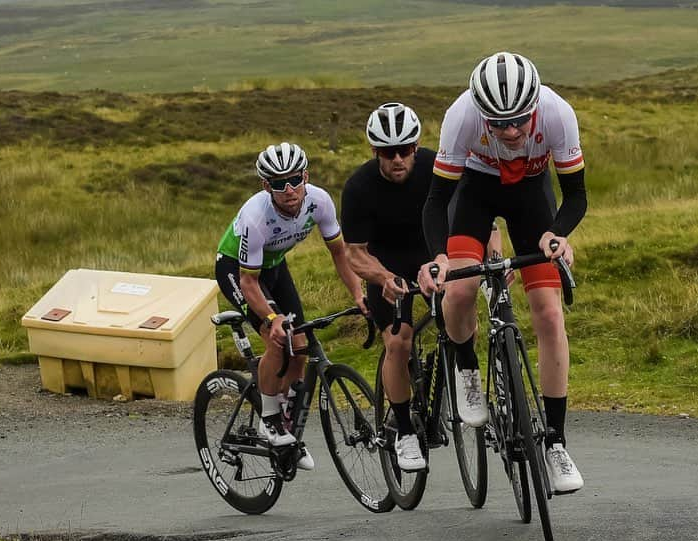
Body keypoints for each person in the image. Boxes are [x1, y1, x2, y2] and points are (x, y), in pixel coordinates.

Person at [418, 52, 587, 493]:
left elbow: (575, 196)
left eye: (519, 121)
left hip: (531, 195)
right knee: (459, 291)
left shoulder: (557, 113)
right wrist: (438, 257)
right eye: (498, 123)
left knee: (549, 314)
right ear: (481, 114)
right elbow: (436, 202)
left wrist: (559, 235)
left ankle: (555, 443)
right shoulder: (461, 117)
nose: (511, 131)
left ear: (534, 107)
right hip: (474, 193)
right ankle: (467, 369)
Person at [215, 142, 366, 471]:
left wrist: (358, 292)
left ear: (305, 176)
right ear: (266, 186)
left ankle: (284, 421)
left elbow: (340, 254)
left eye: (295, 179)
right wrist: (270, 318)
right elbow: (248, 282)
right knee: (277, 337)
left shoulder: (319, 201)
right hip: (237, 271)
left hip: (274, 267)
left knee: (301, 346)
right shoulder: (257, 218)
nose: (289, 190)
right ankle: (268, 419)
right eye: (279, 184)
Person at [340, 103, 434, 472]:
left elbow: (466, 212)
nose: (398, 159)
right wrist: (383, 278)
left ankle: (461, 386)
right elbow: (355, 255)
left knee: (460, 312)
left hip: (430, 254)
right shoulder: (359, 187)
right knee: (399, 340)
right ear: (375, 152)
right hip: (385, 264)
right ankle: (406, 432)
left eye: (405, 149)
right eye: (387, 152)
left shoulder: (434, 167)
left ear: (416, 146)